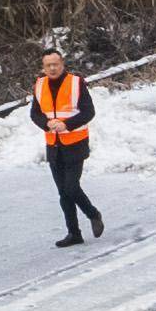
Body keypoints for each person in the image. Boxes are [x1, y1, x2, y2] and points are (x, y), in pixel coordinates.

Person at [32, 37, 104, 246]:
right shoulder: (39, 85)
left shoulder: (75, 82)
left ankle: (93, 214)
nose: (52, 68)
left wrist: (67, 124)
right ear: (43, 67)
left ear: (62, 64)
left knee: (71, 187)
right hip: (54, 147)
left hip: (75, 144)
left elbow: (88, 111)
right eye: (48, 65)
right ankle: (74, 233)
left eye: (55, 64)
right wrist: (47, 124)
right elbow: (35, 113)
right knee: (63, 193)